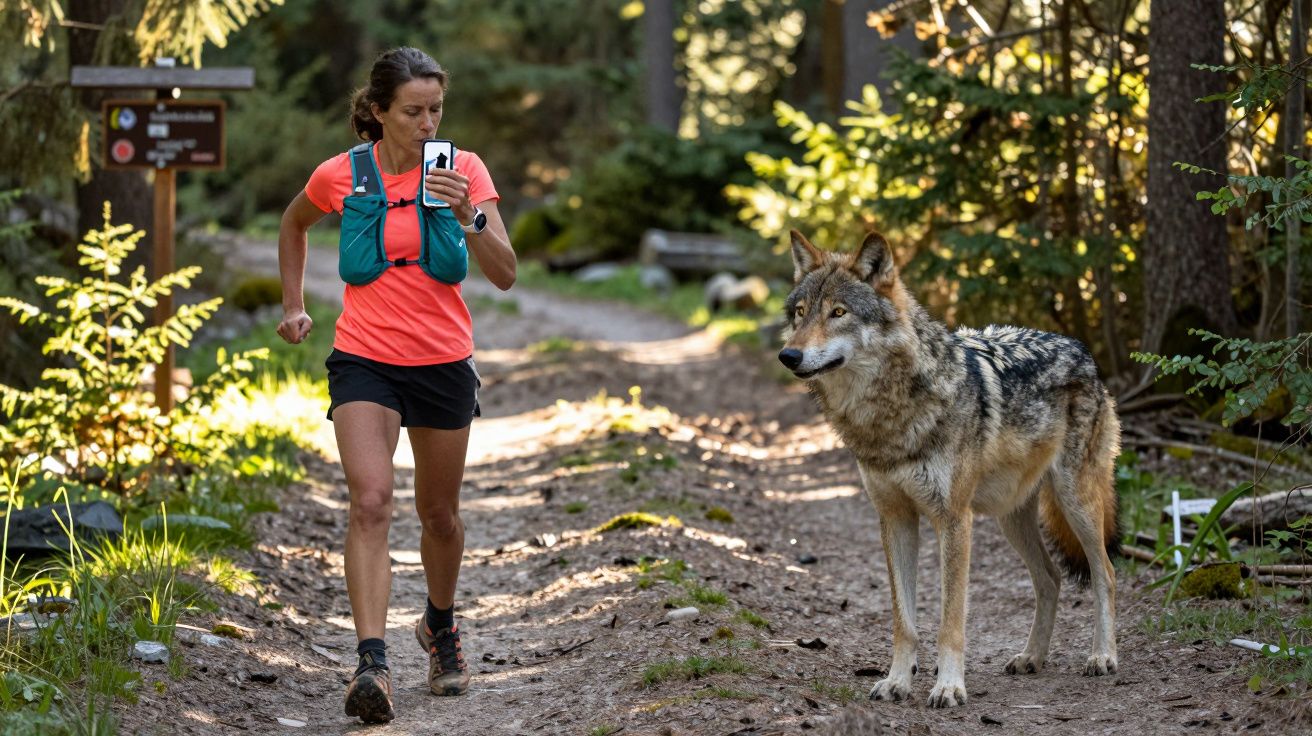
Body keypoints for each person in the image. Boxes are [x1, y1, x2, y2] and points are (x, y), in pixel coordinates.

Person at [275, 46, 516, 724]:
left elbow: (505, 273)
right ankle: (371, 663)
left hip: (442, 361)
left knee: (438, 516)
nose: (427, 124)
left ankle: (439, 624)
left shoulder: (464, 170)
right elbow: (294, 223)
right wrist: (293, 304)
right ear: (378, 111)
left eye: (436, 109)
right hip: (364, 359)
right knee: (371, 502)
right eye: (413, 111)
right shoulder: (340, 174)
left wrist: (469, 215)